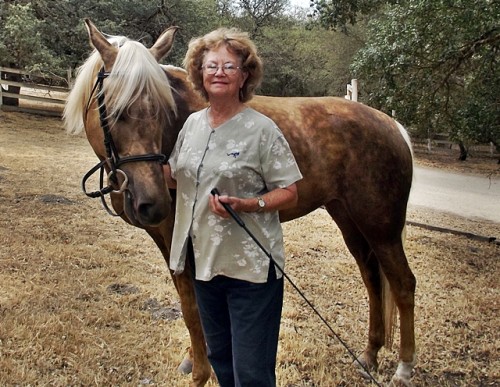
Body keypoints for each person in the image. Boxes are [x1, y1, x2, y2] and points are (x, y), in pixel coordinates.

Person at [163, 27, 303, 387]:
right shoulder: (192, 125)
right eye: (211, 66)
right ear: (200, 73)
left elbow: (289, 192)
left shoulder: (262, 130)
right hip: (205, 266)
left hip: (252, 273)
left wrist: (249, 204)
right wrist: (131, 170)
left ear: (245, 75)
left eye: (229, 66)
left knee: (252, 374)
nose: (219, 72)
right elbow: (179, 177)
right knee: (222, 362)